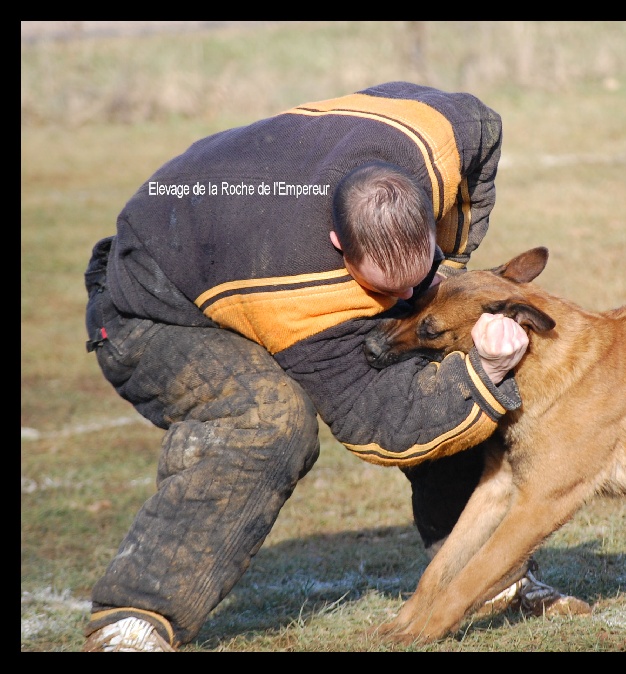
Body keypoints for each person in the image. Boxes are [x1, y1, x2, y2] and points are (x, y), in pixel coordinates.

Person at [82, 81, 565, 652]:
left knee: (437, 340)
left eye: (423, 268)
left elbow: (482, 128)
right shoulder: (301, 290)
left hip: (215, 221)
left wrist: (451, 267)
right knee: (267, 420)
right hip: (150, 305)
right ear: (339, 245)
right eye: (390, 286)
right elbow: (382, 423)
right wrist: (484, 370)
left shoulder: (445, 132)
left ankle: (488, 580)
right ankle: (133, 620)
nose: (414, 293)